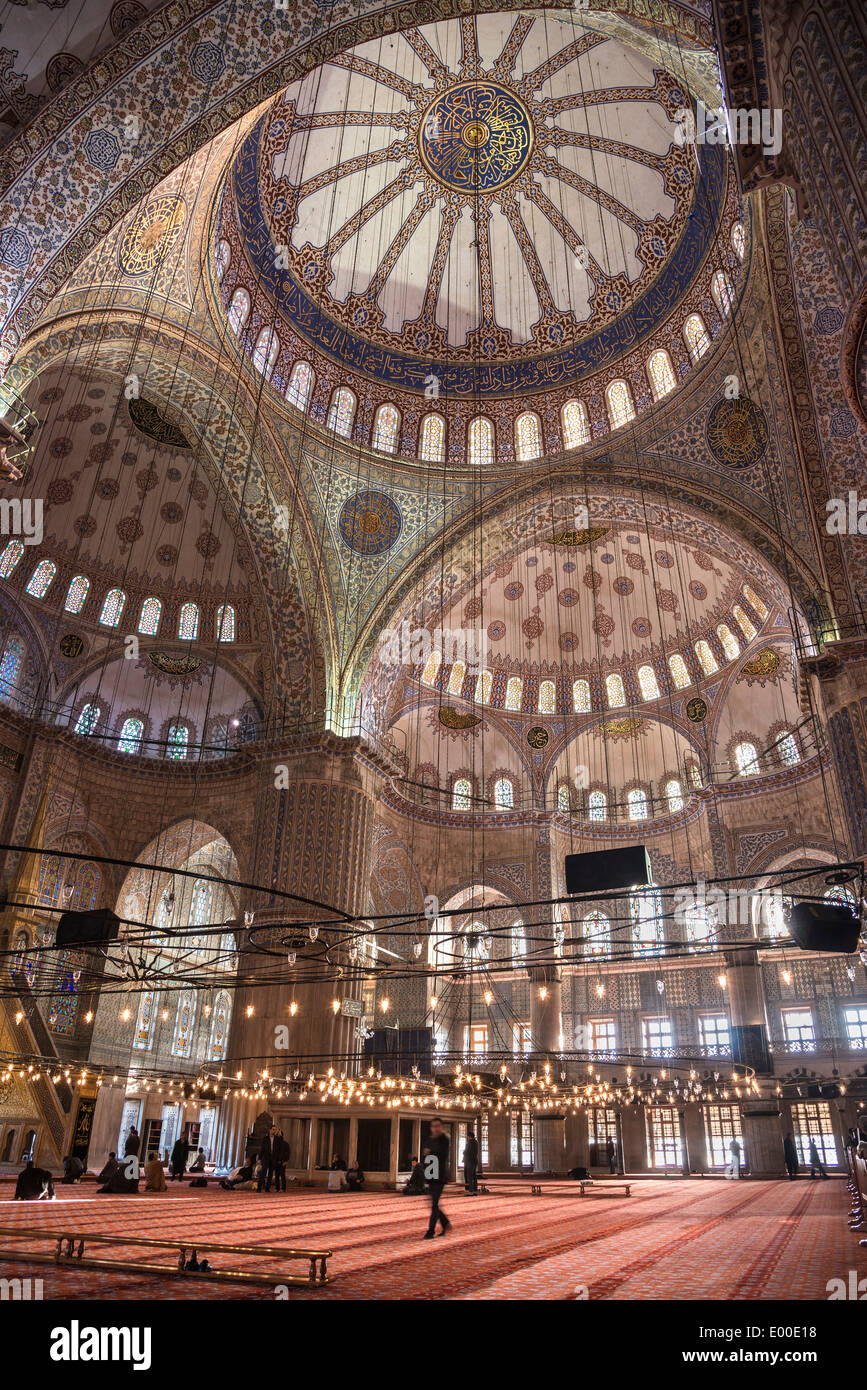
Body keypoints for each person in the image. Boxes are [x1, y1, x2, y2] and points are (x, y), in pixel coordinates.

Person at [422, 1117, 451, 1239]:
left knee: (434, 1203)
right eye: (433, 1126)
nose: (435, 1128)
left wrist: (430, 1152)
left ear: (441, 1127)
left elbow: (442, 1155)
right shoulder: (430, 1139)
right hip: (431, 1174)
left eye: (438, 1125)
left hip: (440, 1175)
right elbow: (427, 1157)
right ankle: (445, 1223)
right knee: (433, 1203)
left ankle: (430, 1231)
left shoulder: (444, 1139)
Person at [463, 1129, 479, 1195]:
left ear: (469, 1136)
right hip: (474, 1160)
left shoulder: (469, 1143)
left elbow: (466, 1152)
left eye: (467, 1136)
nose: (467, 1137)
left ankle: (470, 1191)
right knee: (474, 1176)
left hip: (469, 1161)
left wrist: (463, 1152)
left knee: (469, 1176)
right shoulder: (476, 1142)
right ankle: (475, 1190)